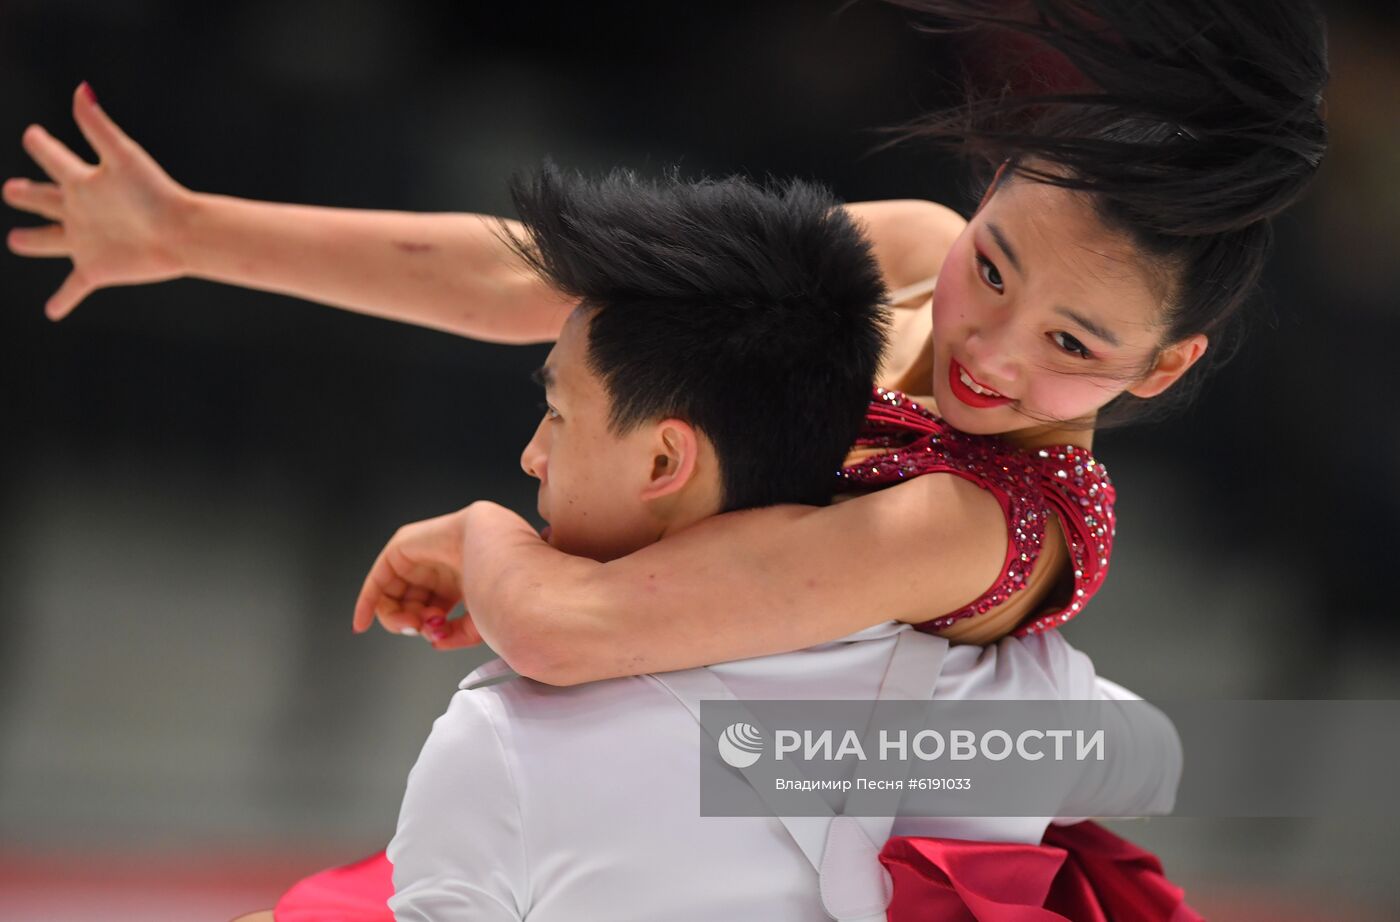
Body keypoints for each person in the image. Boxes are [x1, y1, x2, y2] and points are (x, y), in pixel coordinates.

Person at [295, 165, 1180, 922]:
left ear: (1161, 365)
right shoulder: (912, 254)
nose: (990, 350)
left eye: (1069, 342)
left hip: (815, 806)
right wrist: (189, 231)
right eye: (991, 270)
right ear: (986, 197)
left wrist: (479, 531)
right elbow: (534, 280)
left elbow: (562, 626)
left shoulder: (975, 516)